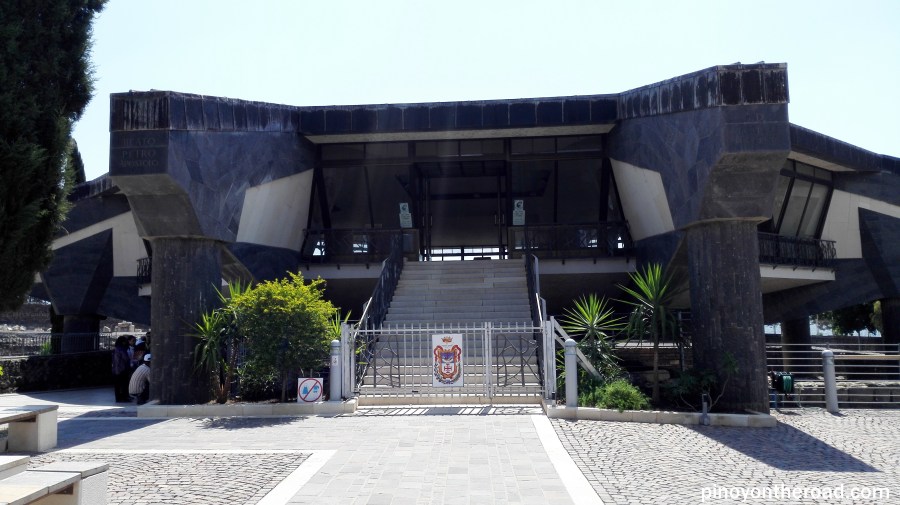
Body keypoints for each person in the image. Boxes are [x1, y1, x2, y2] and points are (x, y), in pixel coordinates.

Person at [112, 336, 131, 402]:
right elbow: (125, 358)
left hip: (116, 370)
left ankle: (118, 398)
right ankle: (124, 397)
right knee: (124, 385)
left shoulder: (116, 349)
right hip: (122, 369)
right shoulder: (122, 349)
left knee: (117, 386)